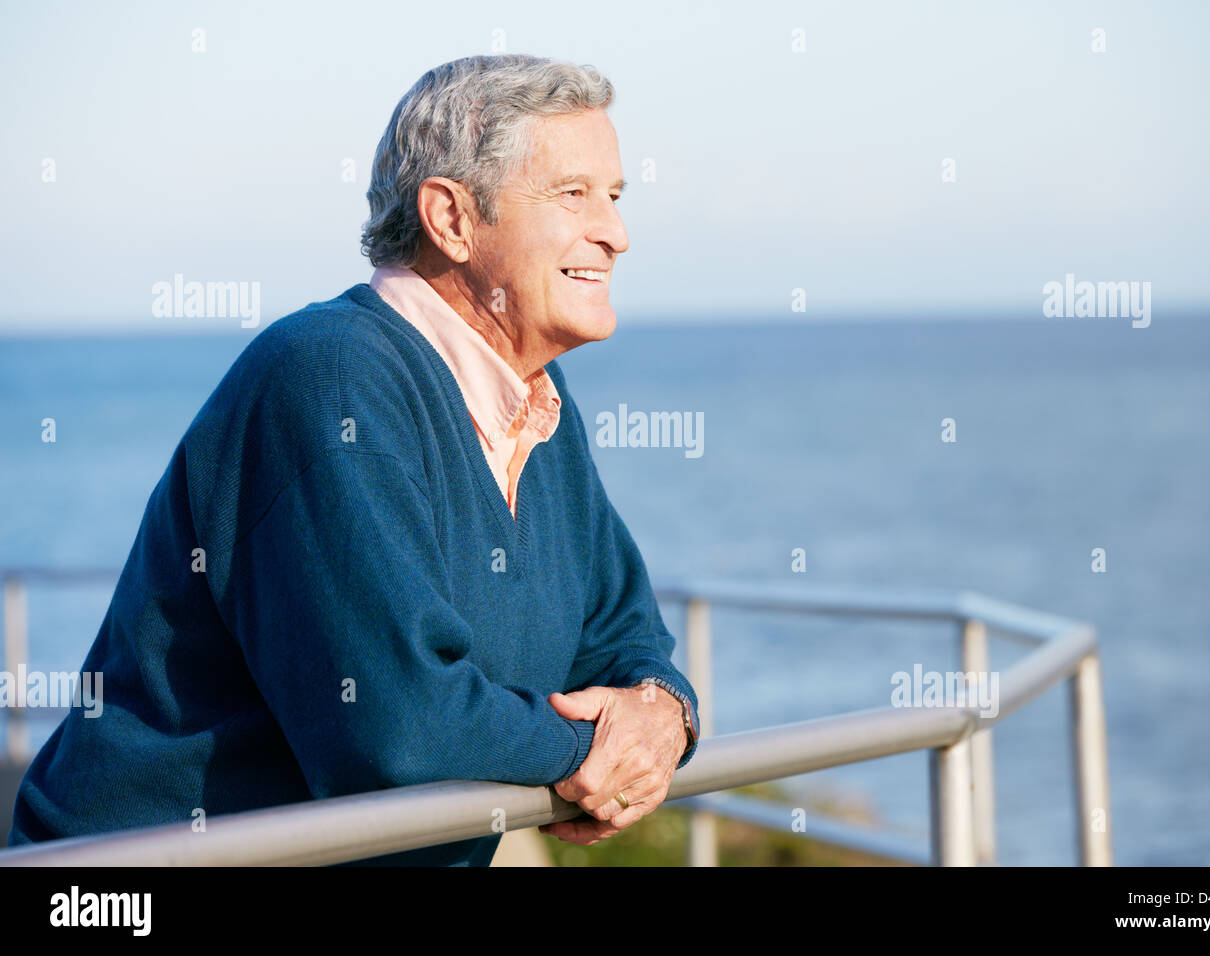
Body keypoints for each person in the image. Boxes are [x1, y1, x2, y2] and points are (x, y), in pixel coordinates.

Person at [7, 53, 699, 866]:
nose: (616, 233)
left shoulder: (537, 399)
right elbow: (396, 727)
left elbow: (621, 632)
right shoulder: (330, 378)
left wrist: (660, 713)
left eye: (614, 198)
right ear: (450, 218)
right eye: (573, 194)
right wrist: (593, 755)